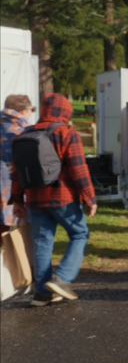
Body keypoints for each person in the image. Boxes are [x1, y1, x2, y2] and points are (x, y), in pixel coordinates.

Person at [10, 93, 97, 307]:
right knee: (79, 233)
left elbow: (17, 172)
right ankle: (62, 279)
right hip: (63, 198)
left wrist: (18, 201)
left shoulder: (24, 134)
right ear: (65, 111)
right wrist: (89, 198)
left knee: (42, 243)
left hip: (35, 199)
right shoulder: (66, 133)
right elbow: (79, 169)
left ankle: (41, 293)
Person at [2, 95, 34, 233]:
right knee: (15, 228)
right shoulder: (22, 132)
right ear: (23, 112)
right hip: (11, 185)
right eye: (31, 110)